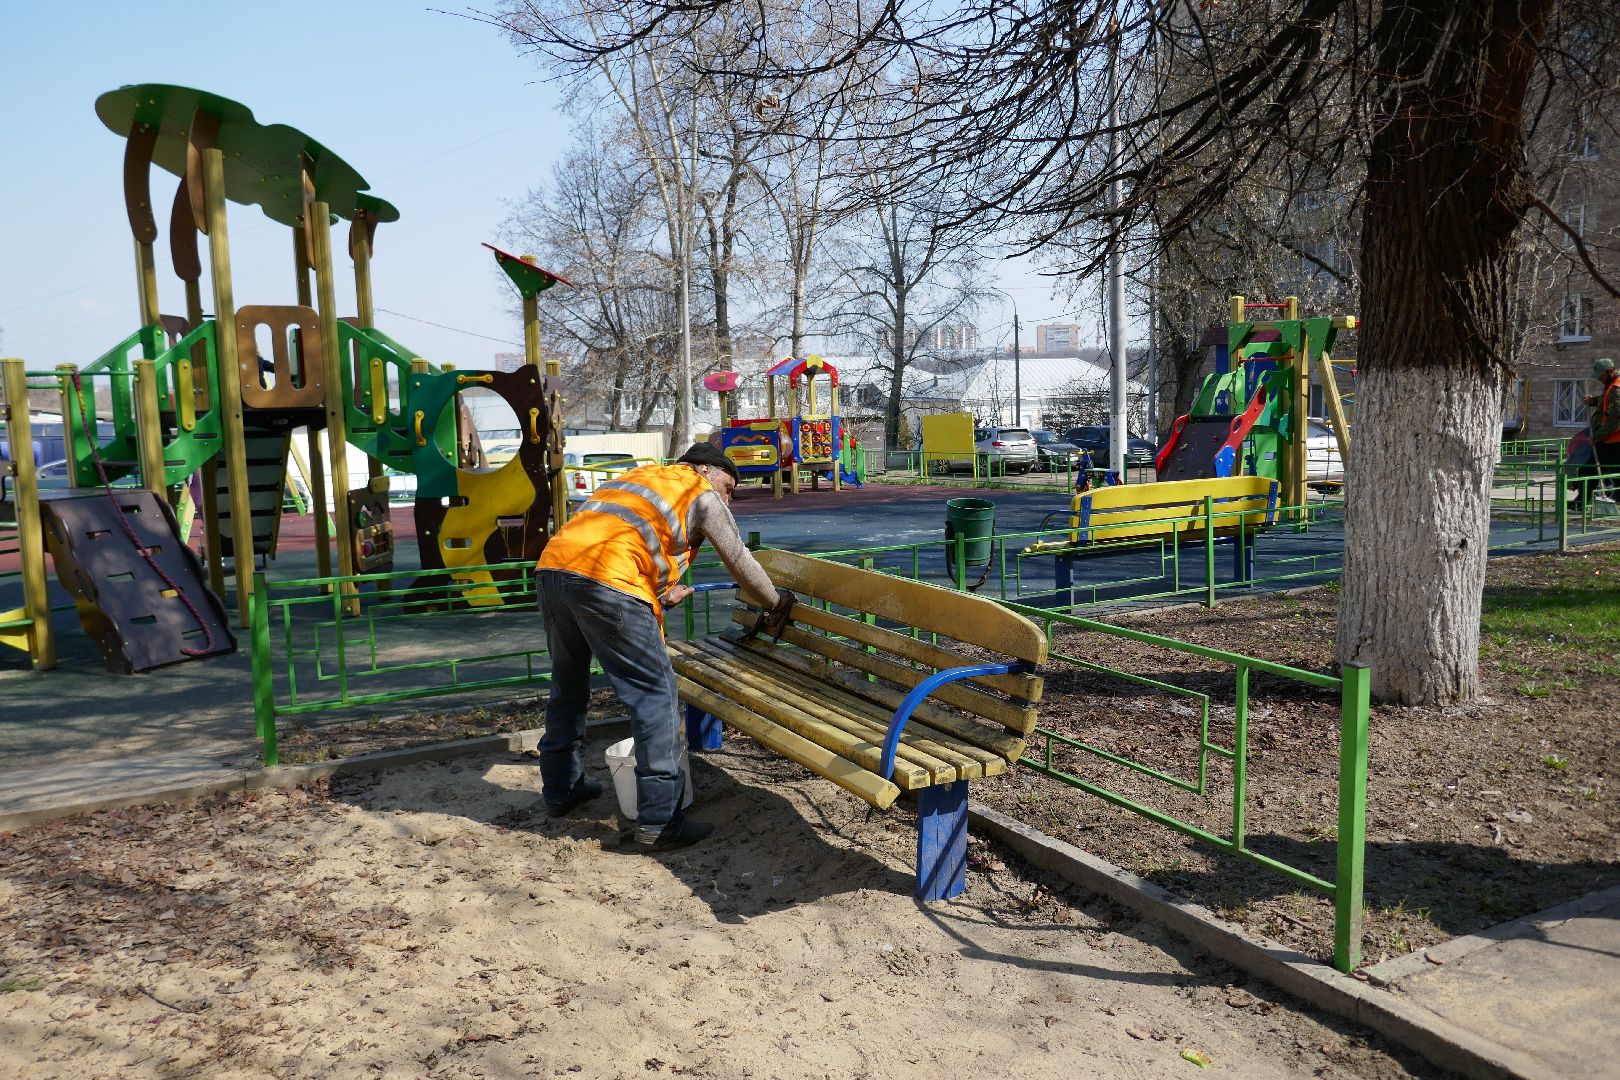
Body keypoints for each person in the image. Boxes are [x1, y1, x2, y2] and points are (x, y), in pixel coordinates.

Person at [534, 442, 792, 850]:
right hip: (608, 581)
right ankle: (660, 819)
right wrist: (775, 602)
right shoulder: (699, 492)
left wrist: (657, 596)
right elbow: (739, 560)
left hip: (553, 573)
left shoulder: (638, 477)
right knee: (655, 697)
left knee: (568, 686)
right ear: (705, 469)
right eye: (729, 487)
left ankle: (561, 788)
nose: (729, 500)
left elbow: (621, 538)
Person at [1572, 357, 1620, 512]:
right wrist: (1594, 401)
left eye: (1601, 376)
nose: (1599, 379)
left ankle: (1582, 502)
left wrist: (1596, 437)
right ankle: (1582, 501)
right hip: (1609, 440)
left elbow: (1615, 420)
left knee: (1589, 470)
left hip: (1612, 441)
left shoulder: (1617, 389)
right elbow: (1608, 404)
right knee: (1598, 470)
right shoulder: (1612, 386)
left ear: (1610, 371)